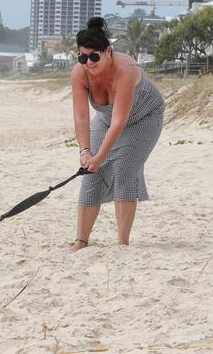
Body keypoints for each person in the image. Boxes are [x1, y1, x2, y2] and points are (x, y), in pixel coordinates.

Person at [70, 17, 164, 252]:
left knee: (124, 170)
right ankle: (81, 240)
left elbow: (120, 121)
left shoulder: (126, 70)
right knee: (90, 174)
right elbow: (81, 117)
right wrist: (85, 152)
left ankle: (122, 242)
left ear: (108, 51)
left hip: (144, 117)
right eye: (83, 57)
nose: (88, 63)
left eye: (94, 57)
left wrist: (100, 157)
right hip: (105, 119)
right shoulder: (80, 73)